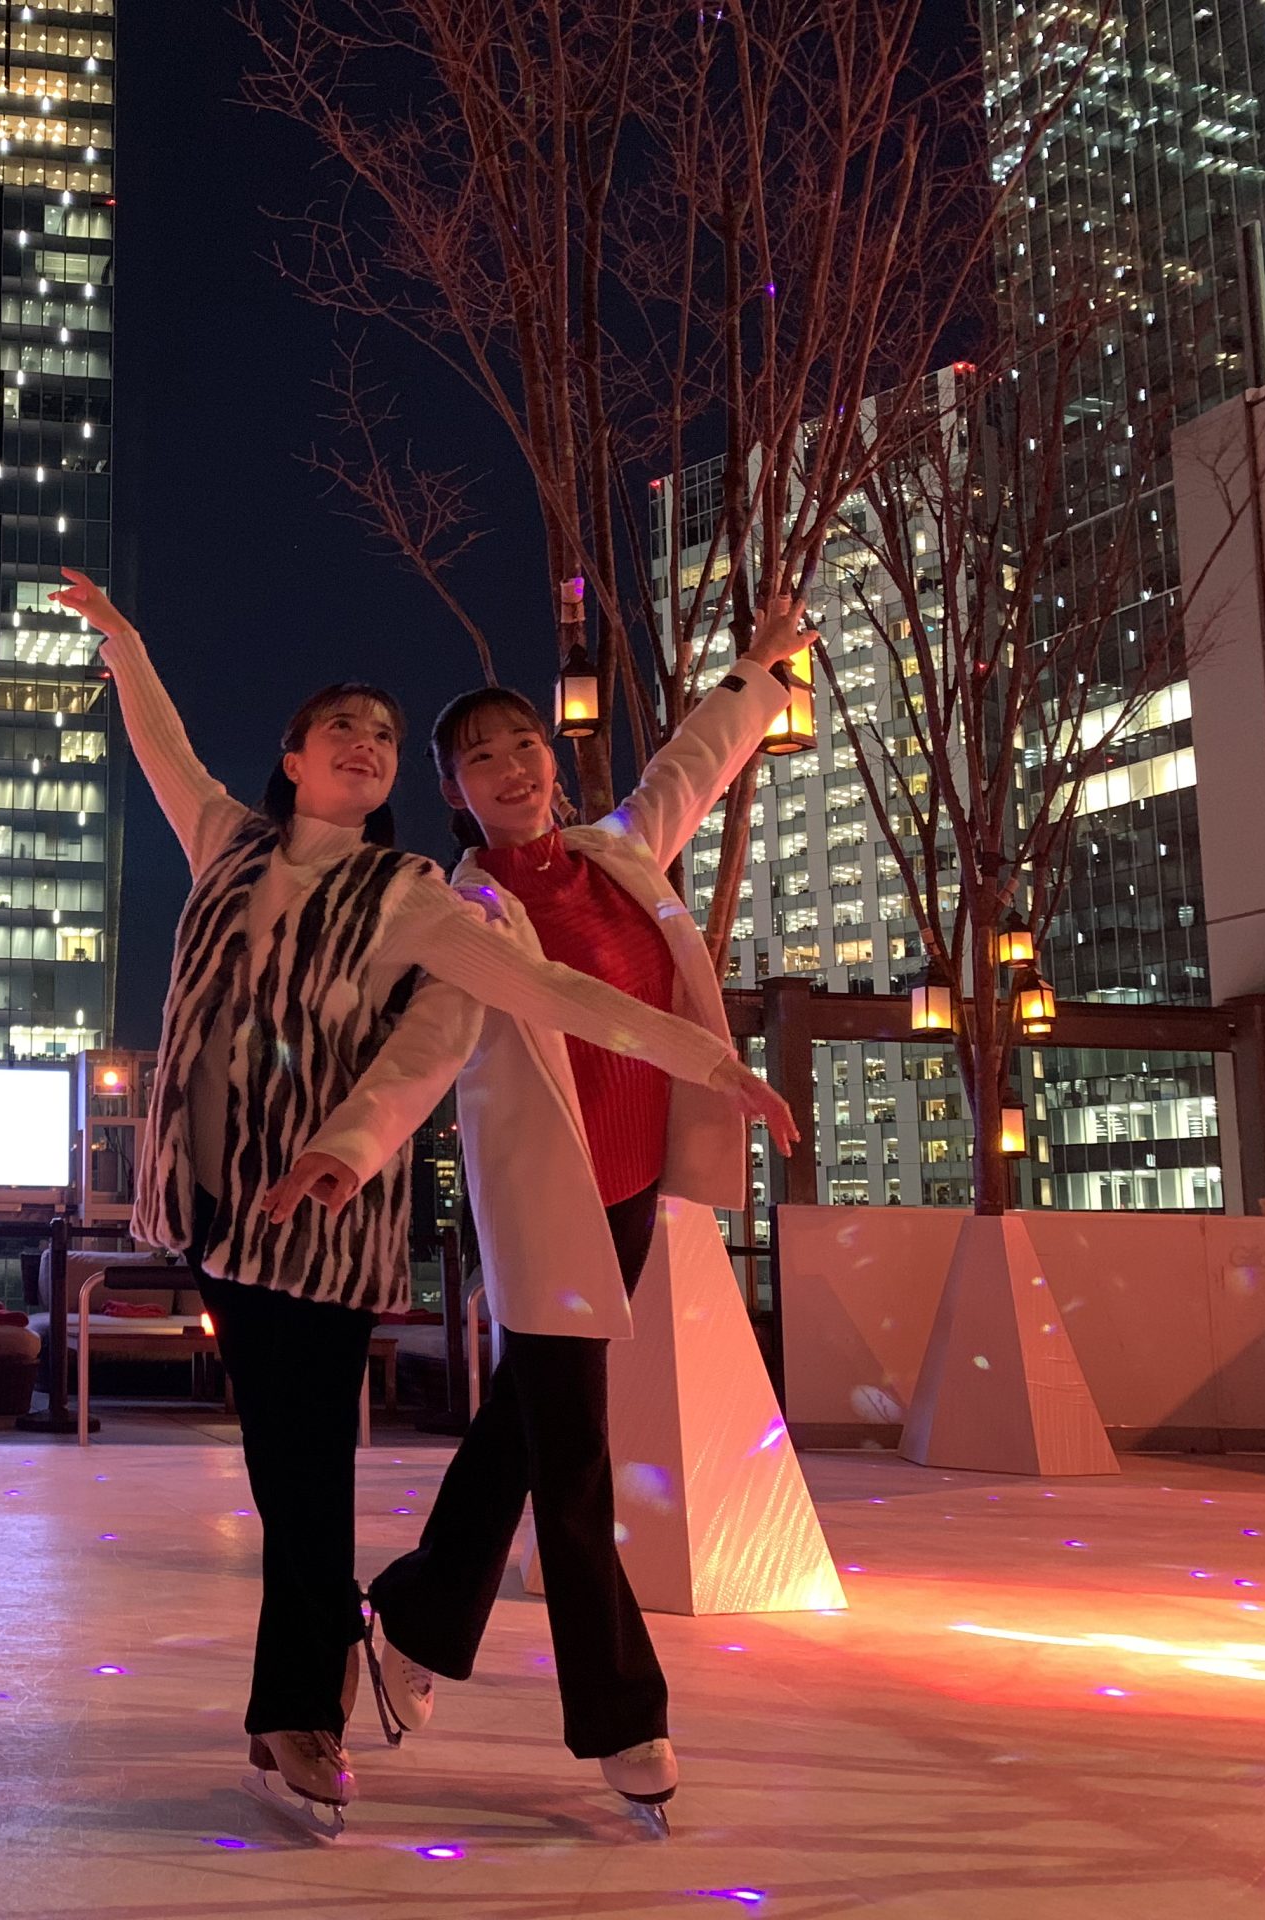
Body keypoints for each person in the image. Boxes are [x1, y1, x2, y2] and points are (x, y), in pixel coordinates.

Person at [49, 568, 795, 1841]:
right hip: (355, 1207)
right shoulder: (316, 865)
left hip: (476, 1211)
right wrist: (124, 636)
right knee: (408, 1464)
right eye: (348, 729)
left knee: (461, 1450)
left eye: (387, 737)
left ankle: (367, 1664)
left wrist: (762, 673)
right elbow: (421, 1051)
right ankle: (452, 1680)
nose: (366, 745)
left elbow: (671, 801)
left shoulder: (520, 877)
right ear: (295, 759)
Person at [358, 595, 814, 1839]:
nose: (512, 770)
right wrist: (350, 1148)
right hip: (543, 1204)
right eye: (482, 761)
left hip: (627, 1192)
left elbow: (689, 768)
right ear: (456, 793)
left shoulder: (620, 854)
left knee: (522, 1426)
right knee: (571, 1455)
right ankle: (621, 1716)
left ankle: (409, 1623)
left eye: (523, 747)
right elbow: (416, 1056)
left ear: (548, 760)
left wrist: (755, 672)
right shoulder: (462, 918)